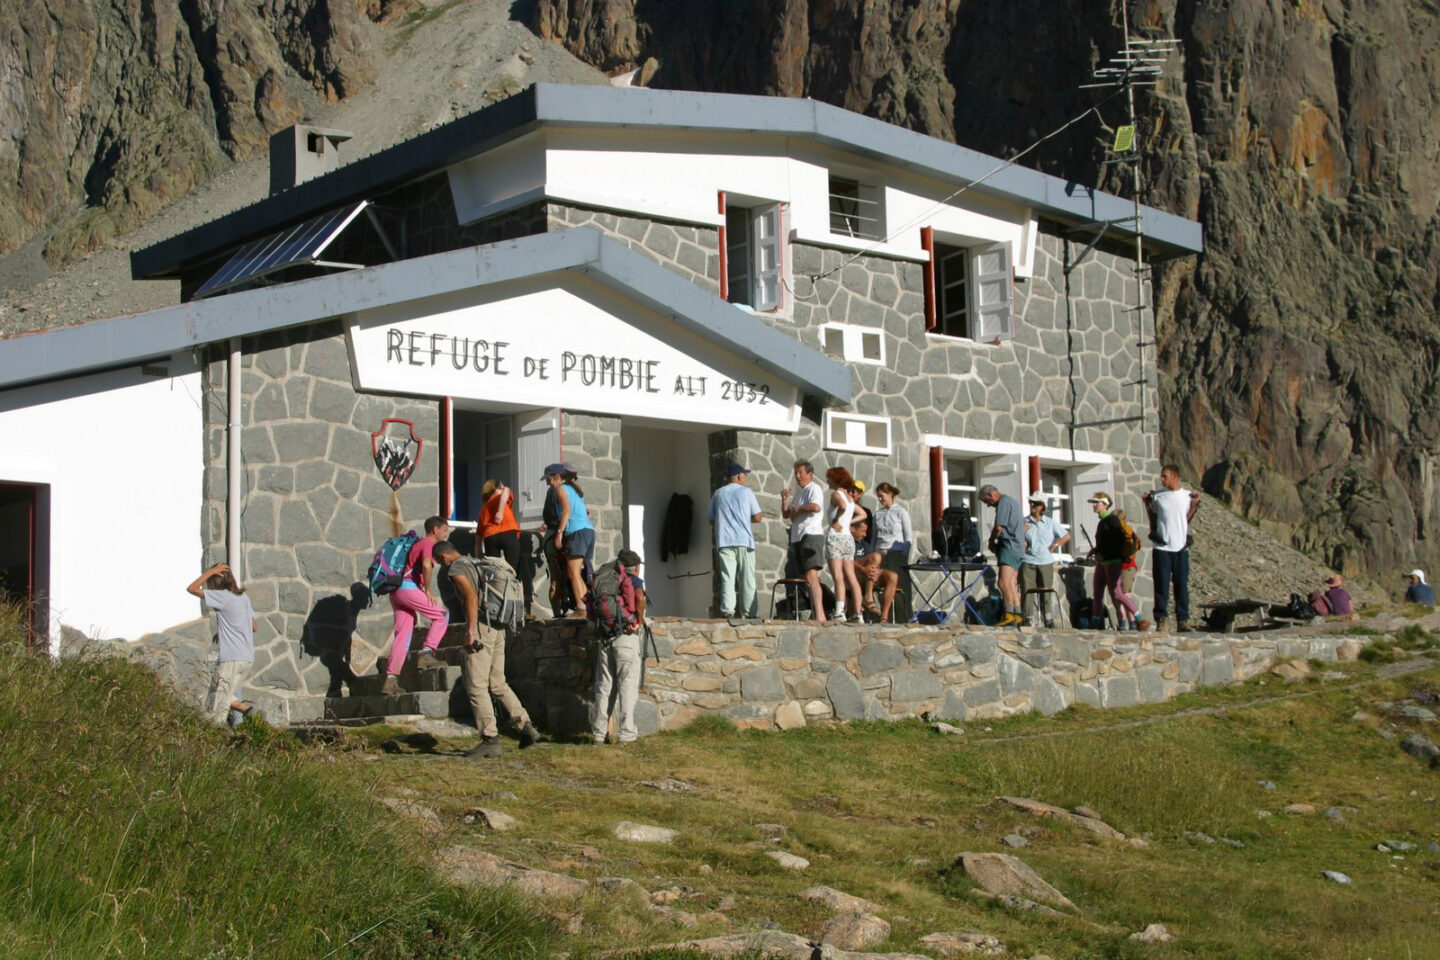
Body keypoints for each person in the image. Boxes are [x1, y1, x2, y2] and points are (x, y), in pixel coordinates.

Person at [434, 541, 540, 757]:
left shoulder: (456, 568)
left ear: (443, 556)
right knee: (498, 682)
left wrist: (470, 631)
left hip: (481, 628)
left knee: (476, 686)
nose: (441, 565)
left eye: (439, 561)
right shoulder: (474, 562)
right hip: (498, 627)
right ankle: (525, 726)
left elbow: (471, 597)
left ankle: (490, 739)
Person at [381, 516, 451, 696]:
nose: (446, 534)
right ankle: (427, 652)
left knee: (403, 634)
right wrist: (428, 590)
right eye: (444, 530)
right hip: (408, 588)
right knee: (442, 615)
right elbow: (427, 565)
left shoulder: (418, 544)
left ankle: (390, 679)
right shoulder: (427, 543)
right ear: (435, 530)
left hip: (396, 592)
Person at [186, 561, 259, 726]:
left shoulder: (221, 596)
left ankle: (214, 735)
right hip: (247, 658)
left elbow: (192, 589)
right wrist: (226, 629)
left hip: (231, 659)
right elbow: (254, 626)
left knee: (216, 707)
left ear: (214, 582)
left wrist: (210, 572)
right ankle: (245, 709)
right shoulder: (243, 597)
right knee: (221, 693)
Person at [590, 549, 646, 745]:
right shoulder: (633, 580)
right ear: (636, 568)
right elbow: (639, 598)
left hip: (605, 635)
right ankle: (626, 734)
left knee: (604, 686)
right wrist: (638, 621)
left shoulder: (605, 578)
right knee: (627, 685)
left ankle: (599, 734)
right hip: (625, 637)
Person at [1143, 465, 1201, 633]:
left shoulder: (1186, 496)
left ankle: (1183, 620)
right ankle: (1161, 620)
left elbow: (1185, 519)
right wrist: (1147, 505)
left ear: (1175, 476)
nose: (1162, 479)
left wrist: (1194, 505)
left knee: (1181, 586)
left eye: (1165, 476)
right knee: (1161, 586)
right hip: (1162, 547)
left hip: (1181, 548)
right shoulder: (1158, 496)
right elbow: (1153, 519)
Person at [707, 463, 763, 618]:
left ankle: (728, 611)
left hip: (725, 540)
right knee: (747, 578)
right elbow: (758, 517)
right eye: (745, 475)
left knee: (728, 577)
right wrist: (744, 517)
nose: (745, 478)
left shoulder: (718, 493)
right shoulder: (747, 492)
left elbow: (710, 519)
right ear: (739, 476)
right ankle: (749, 613)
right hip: (744, 541)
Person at [476, 478, 534, 617]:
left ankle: (498, 609)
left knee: (495, 575)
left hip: (490, 538)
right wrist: (500, 512)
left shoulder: (483, 509)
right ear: (494, 489)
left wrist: (478, 560)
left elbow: (478, 539)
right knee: (514, 573)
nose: (503, 488)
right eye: (500, 487)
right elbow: (507, 491)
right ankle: (519, 610)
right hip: (507, 534)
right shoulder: (500, 498)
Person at [859, 482, 913, 622]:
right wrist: (872, 554)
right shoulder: (878, 514)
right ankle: (877, 610)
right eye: (878, 496)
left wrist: (904, 555)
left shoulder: (901, 512)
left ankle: (900, 617)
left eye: (882, 496)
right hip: (880, 554)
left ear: (890, 494)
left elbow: (908, 537)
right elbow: (874, 538)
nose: (880, 499)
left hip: (896, 554)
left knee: (897, 585)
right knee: (875, 580)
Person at [781, 459, 827, 622]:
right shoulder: (799, 494)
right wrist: (785, 499)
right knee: (805, 577)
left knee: (811, 575)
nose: (797, 476)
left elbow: (815, 507)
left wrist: (798, 509)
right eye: (796, 473)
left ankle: (820, 615)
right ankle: (815, 612)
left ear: (810, 474)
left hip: (811, 535)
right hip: (798, 537)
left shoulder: (814, 488)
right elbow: (787, 515)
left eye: (800, 473)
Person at [546, 463, 594, 617]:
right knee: (578, 573)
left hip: (576, 532)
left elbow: (566, 510)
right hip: (588, 531)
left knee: (572, 573)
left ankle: (581, 609)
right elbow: (586, 513)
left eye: (549, 480)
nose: (548, 483)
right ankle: (587, 608)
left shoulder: (561, 489)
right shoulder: (574, 490)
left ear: (557, 477)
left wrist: (559, 532)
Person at [1087, 493, 1140, 630]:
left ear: (1105, 504)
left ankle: (1138, 618)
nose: (1094, 505)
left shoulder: (1111, 520)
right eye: (1094, 503)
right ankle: (1095, 622)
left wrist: (1102, 554)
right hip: (1104, 561)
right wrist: (1096, 550)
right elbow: (1106, 541)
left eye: (1097, 502)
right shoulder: (1103, 521)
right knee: (1098, 593)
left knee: (1117, 594)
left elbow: (1116, 540)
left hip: (1112, 561)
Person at [1021, 494, 1070, 628]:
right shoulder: (1024, 521)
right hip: (1028, 560)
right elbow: (1016, 538)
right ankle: (1027, 618)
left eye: (1035, 503)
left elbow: (1066, 536)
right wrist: (1022, 533)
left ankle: (1048, 618)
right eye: (1031, 503)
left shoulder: (1050, 522)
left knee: (1046, 591)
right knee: (1027, 590)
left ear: (1042, 506)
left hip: (1045, 561)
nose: (1032, 506)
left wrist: (1055, 545)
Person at [978, 484, 1024, 626]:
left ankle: (1008, 615)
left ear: (991, 495)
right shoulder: (1013, 502)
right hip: (1018, 548)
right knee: (1012, 583)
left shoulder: (1003, 503)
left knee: (1003, 583)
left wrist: (992, 540)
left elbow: (999, 527)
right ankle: (1017, 615)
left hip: (1009, 546)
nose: (988, 505)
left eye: (987, 502)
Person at [823, 466, 864, 622]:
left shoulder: (836, 495)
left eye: (829, 478)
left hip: (836, 538)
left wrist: (835, 520)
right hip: (848, 538)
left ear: (835, 479)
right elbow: (863, 514)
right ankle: (858, 613)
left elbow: (842, 506)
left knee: (838, 576)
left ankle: (840, 612)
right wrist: (848, 523)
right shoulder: (850, 497)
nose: (827, 481)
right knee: (852, 578)